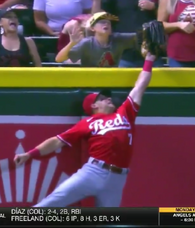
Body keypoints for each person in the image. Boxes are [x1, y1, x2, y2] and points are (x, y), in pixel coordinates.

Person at [13, 50, 157, 207]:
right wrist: (29, 154)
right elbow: (57, 141)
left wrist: (149, 59)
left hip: (118, 178)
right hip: (93, 172)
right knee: (49, 204)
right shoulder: (87, 123)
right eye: (102, 98)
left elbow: (140, 86)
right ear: (94, 105)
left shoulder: (125, 112)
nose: (109, 99)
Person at [92, 0, 164, 67]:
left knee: (158, 80)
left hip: (152, 52)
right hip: (124, 54)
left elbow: (167, 15)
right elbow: (99, 14)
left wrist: (154, 6)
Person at [55, 12, 137, 67]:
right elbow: (59, 59)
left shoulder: (118, 39)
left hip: (111, 79)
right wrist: (72, 43)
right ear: (92, 28)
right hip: (90, 80)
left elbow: (141, 36)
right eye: (102, 22)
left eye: (108, 22)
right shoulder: (86, 43)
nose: (106, 23)